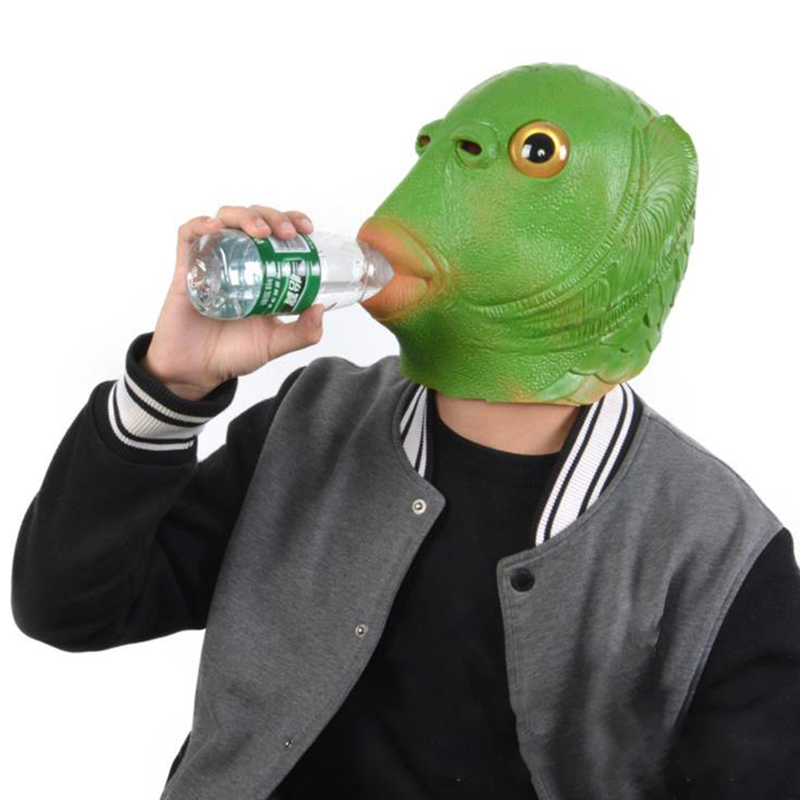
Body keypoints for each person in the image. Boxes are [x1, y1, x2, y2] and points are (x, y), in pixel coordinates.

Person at [12, 64, 800, 800]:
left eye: (533, 152)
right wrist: (170, 388)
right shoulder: (310, 422)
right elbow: (69, 608)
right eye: (435, 143)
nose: (444, 155)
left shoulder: (717, 547)